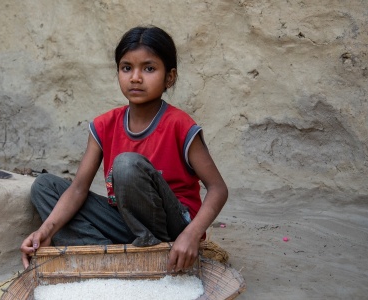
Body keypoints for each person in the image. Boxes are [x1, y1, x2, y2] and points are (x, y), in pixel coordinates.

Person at [20, 25, 228, 273]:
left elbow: (218, 189)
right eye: (126, 68)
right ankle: (108, 257)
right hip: (128, 222)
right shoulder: (104, 125)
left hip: (174, 228)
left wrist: (192, 235)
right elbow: (77, 190)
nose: (135, 77)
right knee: (44, 187)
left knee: (126, 164)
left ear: (169, 77)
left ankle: (149, 253)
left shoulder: (179, 125)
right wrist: (46, 230)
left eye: (149, 68)